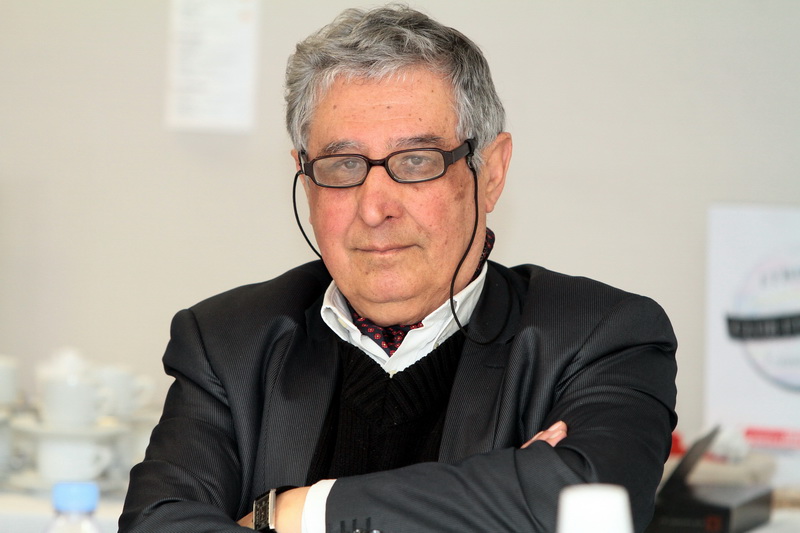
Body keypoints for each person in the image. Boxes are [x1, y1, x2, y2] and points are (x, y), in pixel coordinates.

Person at [119, 5, 677, 533]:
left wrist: (295, 511)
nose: (375, 207)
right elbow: (158, 523)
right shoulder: (228, 343)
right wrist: (506, 492)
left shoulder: (598, 336)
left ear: (491, 172)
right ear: (305, 179)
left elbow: (591, 500)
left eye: (415, 161)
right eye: (343, 165)